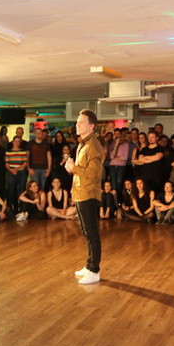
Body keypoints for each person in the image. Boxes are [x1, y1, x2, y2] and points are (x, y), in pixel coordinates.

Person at [69, 110, 104, 285]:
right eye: (77, 121)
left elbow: (92, 175)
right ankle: (90, 265)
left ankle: (94, 270)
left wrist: (73, 168)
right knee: (86, 232)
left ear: (91, 126)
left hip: (89, 194)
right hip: (81, 193)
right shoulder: (83, 144)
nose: (77, 124)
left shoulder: (93, 146)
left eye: (81, 122)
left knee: (92, 233)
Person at [5, 136, 29, 211]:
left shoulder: (23, 151)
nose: (17, 143)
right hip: (11, 171)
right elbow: (6, 164)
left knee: (22, 190)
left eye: (18, 141)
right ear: (12, 142)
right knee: (11, 190)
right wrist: (11, 170)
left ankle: (22, 208)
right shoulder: (8, 151)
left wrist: (16, 169)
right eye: (15, 141)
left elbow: (25, 163)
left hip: (21, 171)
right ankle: (10, 208)